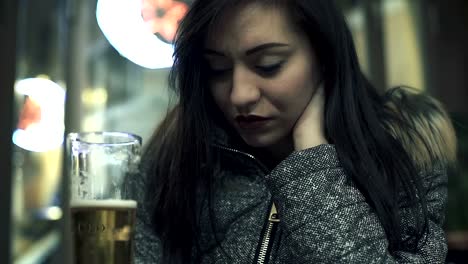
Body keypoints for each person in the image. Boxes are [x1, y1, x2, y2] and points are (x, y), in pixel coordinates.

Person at [125, 0, 455, 263]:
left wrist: (312, 162)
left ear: (324, 56)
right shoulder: (177, 153)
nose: (239, 94)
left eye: (268, 65)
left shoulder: (405, 152)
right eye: (219, 70)